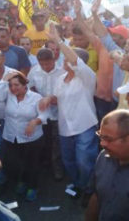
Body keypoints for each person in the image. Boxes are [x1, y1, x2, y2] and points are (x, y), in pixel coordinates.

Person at [40, 24, 98, 197]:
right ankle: (79, 185)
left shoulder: (87, 77)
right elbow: (58, 100)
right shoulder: (60, 79)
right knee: (69, 161)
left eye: (67, 59)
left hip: (85, 126)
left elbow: (74, 60)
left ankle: (89, 190)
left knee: (84, 161)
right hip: (65, 128)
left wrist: (58, 40)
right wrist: (48, 99)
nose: (64, 61)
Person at [0, 71, 47, 201]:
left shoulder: (36, 97)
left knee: (31, 163)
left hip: (31, 137)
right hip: (11, 136)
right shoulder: (8, 94)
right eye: (10, 85)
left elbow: (44, 115)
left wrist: (34, 122)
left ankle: (33, 186)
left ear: (24, 85)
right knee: (15, 163)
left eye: (16, 85)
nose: (13, 88)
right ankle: (22, 181)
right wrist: (4, 80)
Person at [27, 48, 65, 181]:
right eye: (42, 64)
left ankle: (57, 169)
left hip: (58, 112)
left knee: (57, 142)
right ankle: (44, 164)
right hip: (41, 112)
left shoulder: (63, 71)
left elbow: (66, 92)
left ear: (54, 60)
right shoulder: (34, 71)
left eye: (48, 64)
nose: (45, 67)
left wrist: (54, 99)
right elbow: (30, 87)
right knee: (43, 140)